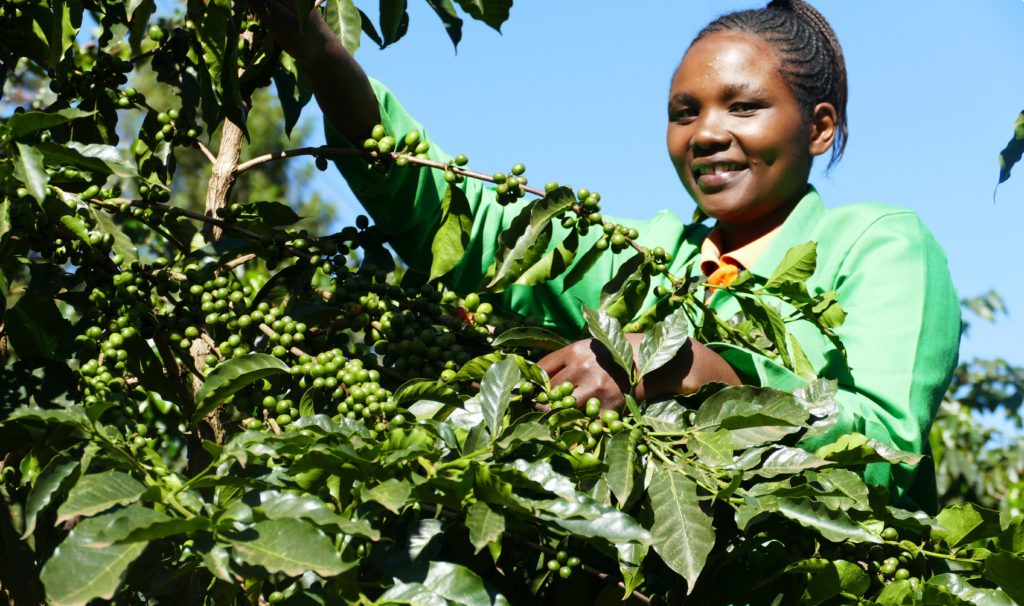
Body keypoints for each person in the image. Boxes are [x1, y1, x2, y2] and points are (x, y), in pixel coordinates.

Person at [255, 0, 961, 512]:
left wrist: (678, 367)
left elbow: (883, 450)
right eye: (684, 112)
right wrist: (320, 51)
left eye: (742, 107)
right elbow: (458, 217)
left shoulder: (880, 245)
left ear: (818, 127)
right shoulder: (643, 255)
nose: (707, 133)